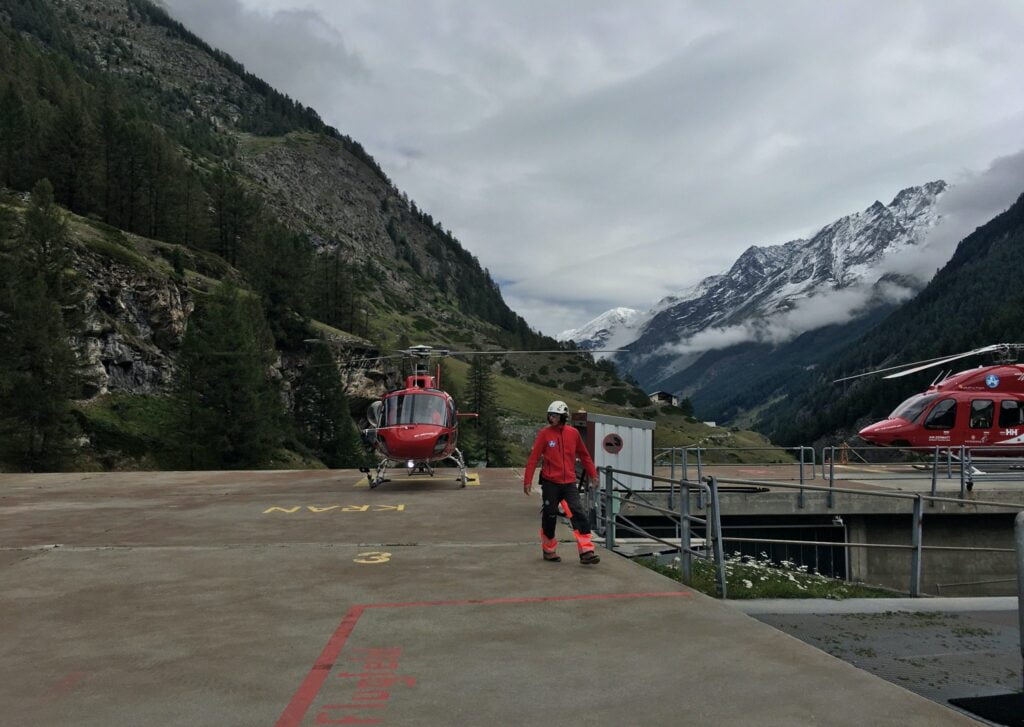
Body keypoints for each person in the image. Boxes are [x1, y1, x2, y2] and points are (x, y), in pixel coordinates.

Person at [523, 401, 600, 564]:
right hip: (551, 483)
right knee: (549, 515)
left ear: (563, 416)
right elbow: (534, 458)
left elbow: (585, 455)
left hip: (569, 483)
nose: (551, 418)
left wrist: (593, 475)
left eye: (555, 415)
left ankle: (586, 551)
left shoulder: (573, 433)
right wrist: (527, 480)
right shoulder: (544, 434)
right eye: (550, 415)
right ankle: (549, 550)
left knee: (578, 514)